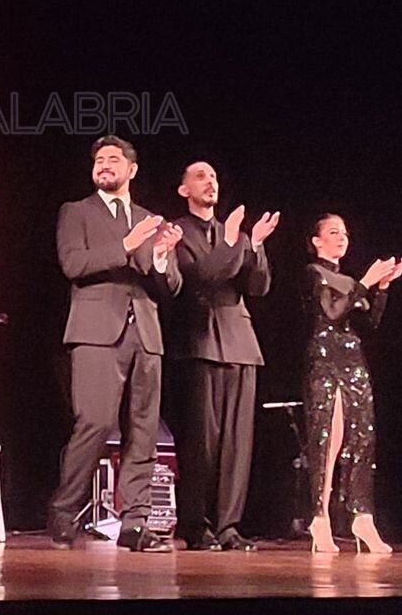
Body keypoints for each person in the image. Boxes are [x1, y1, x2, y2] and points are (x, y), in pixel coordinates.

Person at [47, 136, 182, 552]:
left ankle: (135, 522)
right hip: (95, 331)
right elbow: (74, 264)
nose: (104, 165)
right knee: (96, 422)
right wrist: (126, 245)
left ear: (132, 170)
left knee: (143, 431)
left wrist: (160, 255)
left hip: (145, 332)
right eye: (99, 160)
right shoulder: (76, 212)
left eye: (113, 159)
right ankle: (64, 511)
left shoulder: (150, 219)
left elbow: (171, 285)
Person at [162, 160, 277, 551]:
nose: (210, 182)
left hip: (241, 343)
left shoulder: (237, 234)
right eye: (200, 176)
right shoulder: (176, 230)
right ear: (184, 190)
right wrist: (232, 242)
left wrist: (255, 245)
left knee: (236, 444)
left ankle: (229, 526)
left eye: (213, 176)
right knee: (200, 443)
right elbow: (200, 276)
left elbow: (258, 287)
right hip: (198, 343)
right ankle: (196, 526)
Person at [300, 214, 402, 554]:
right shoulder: (314, 273)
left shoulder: (347, 278)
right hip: (326, 360)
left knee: (362, 439)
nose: (341, 237)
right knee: (327, 440)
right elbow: (331, 313)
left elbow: (369, 322)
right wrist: (364, 282)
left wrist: (383, 287)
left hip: (354, 362)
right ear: (316, 241)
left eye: (345, 232)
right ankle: (319, 517)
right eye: (333, 232)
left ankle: (363, 517)